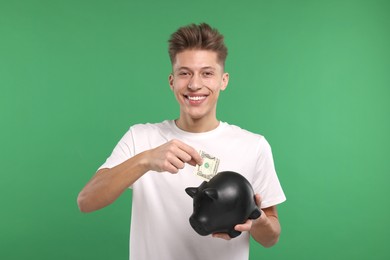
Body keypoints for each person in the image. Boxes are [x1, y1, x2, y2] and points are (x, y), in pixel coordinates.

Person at [77, 23, 286, 260]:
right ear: (172, 81)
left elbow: (272, 238)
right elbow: (86, 201)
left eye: (207, 73)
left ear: (223, 80)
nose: (195, 84)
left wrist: (254, 219)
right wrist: (145, 160)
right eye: (184, 73)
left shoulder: (253, 146)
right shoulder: (140, 137)